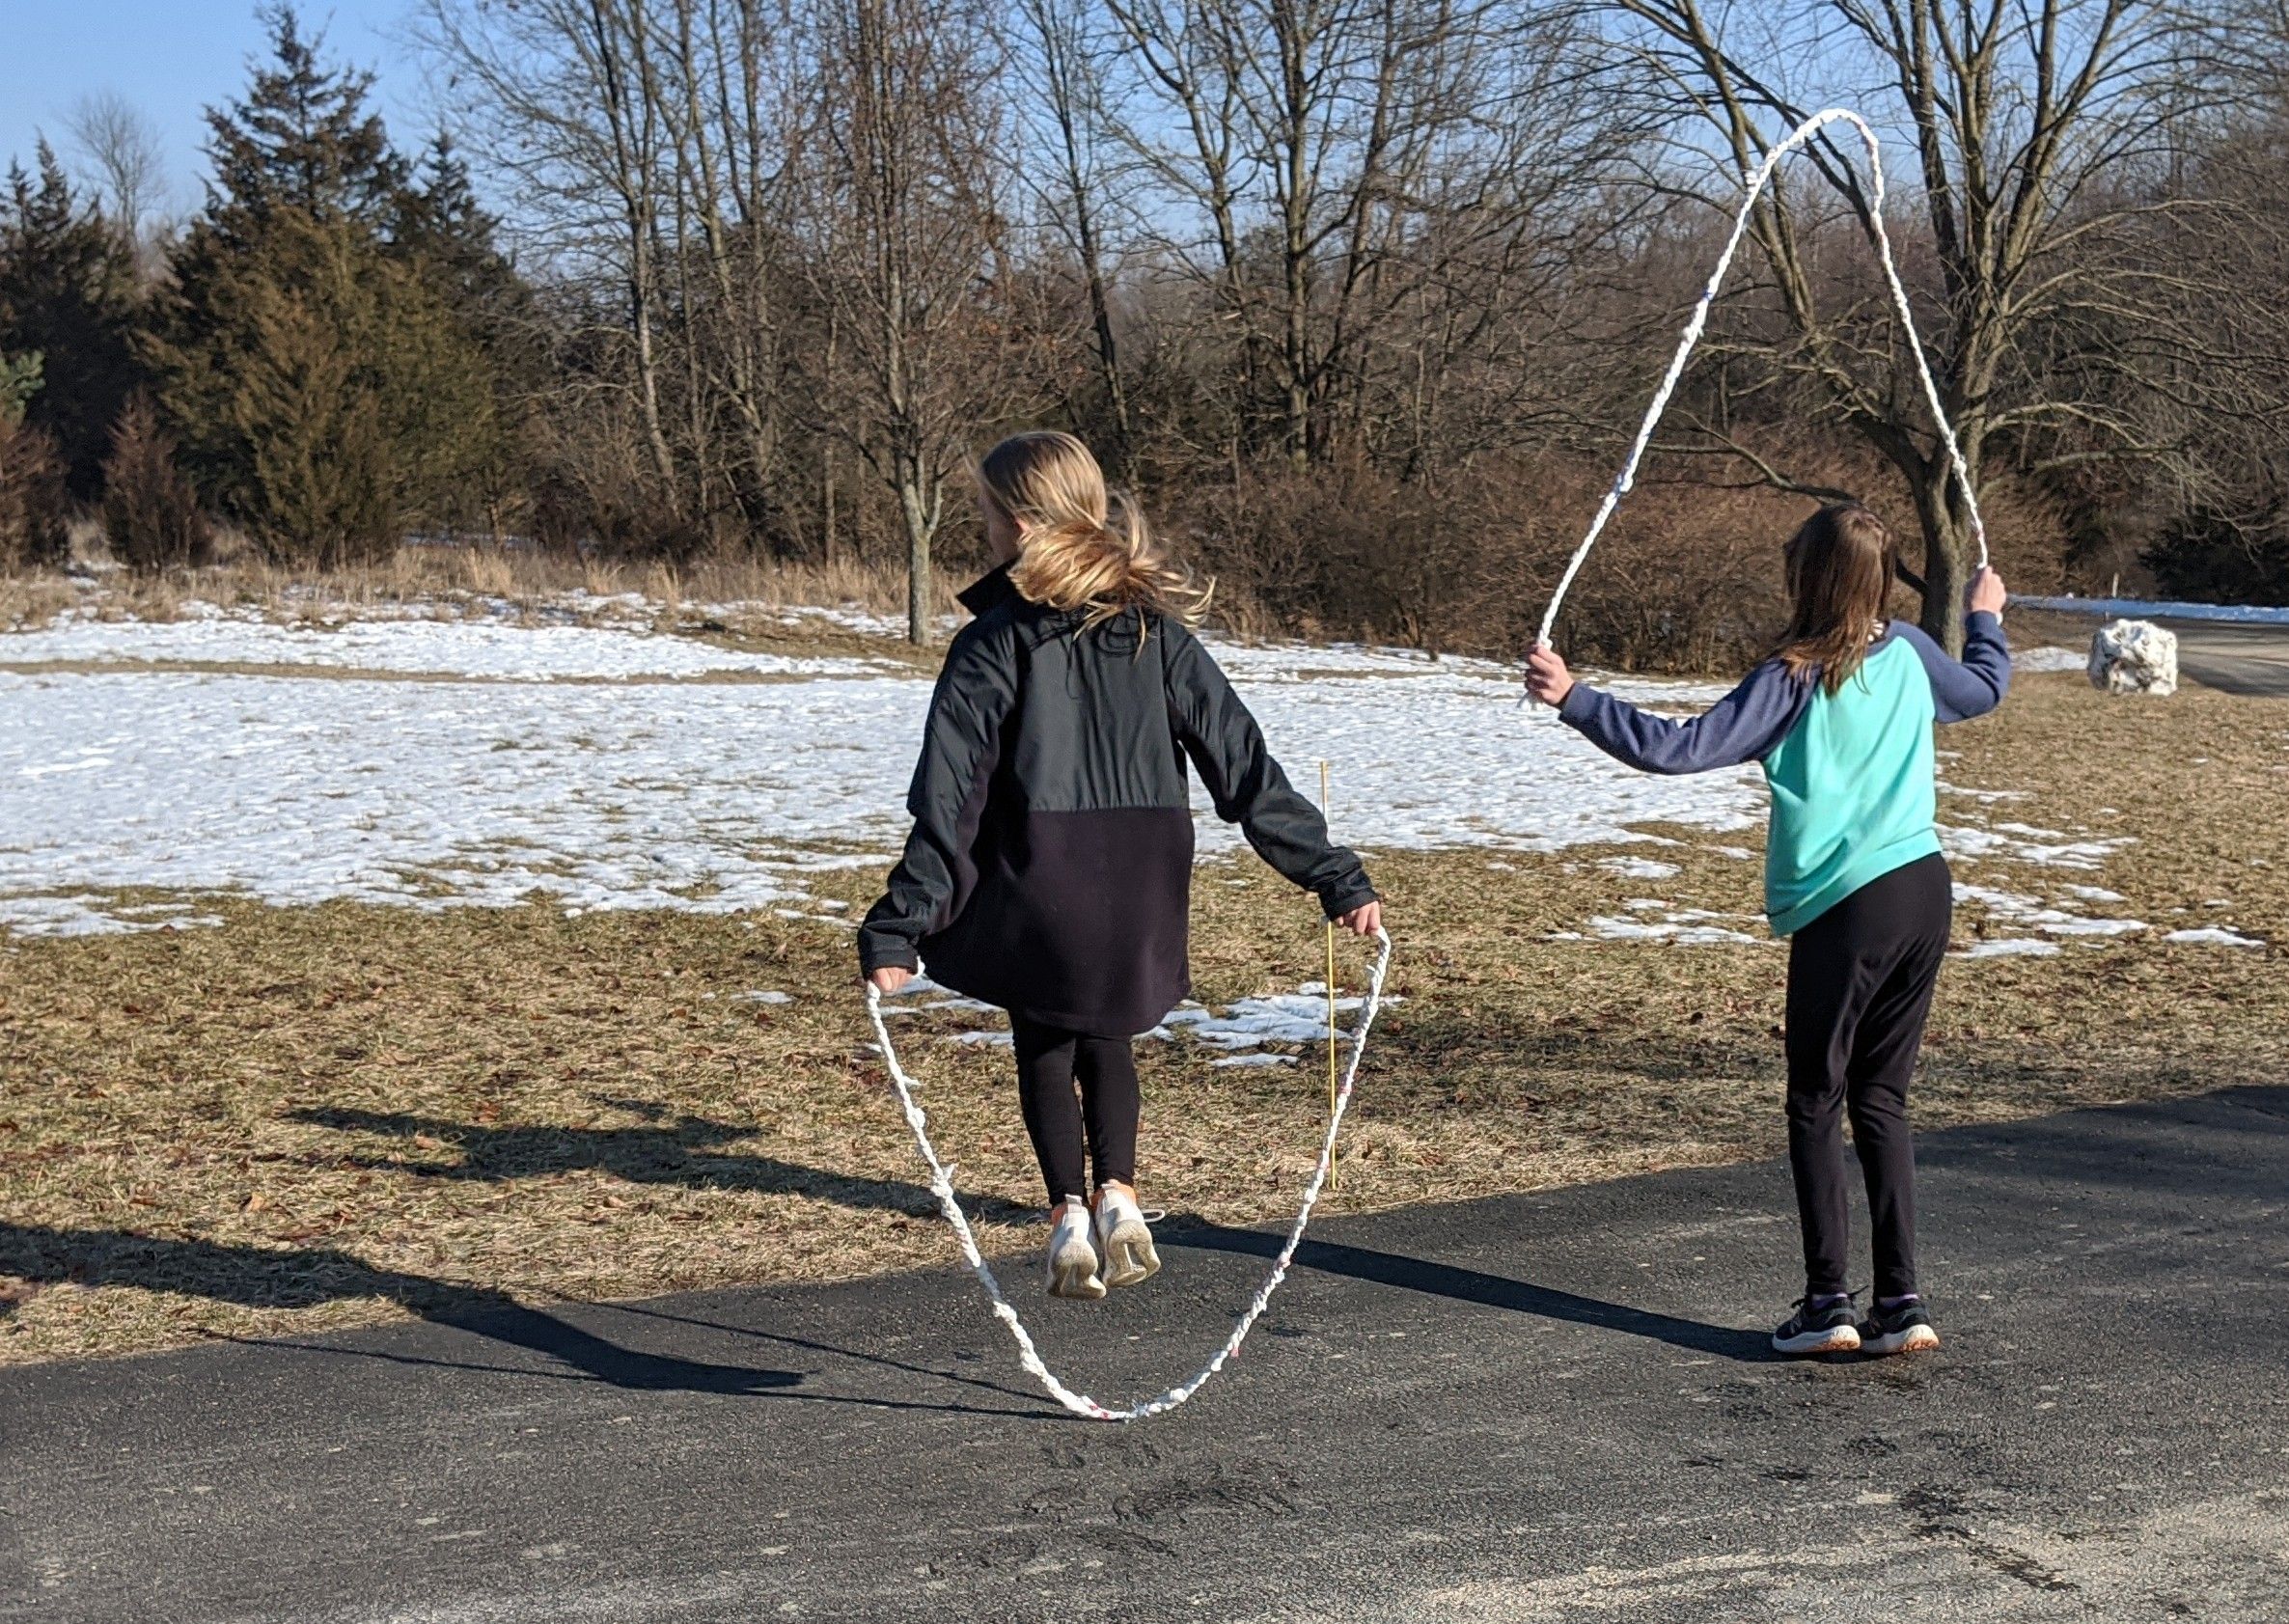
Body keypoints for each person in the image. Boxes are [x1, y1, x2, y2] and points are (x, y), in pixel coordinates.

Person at [859, 430, 1383, 1300]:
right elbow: (1246, 771)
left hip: (1041, 870)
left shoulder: (993, 641)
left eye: (987, 511)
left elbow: (947, 800)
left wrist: (899, 925)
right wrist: (1333, 875)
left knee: (1044, 1032)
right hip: (1143, 874)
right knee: (1105, 1030)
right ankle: (1121, 1195)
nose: (983, 526)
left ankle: (1068, 1209)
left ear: (1021, 523)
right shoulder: (1159, 636)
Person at [1526, 504, 2010, 1358]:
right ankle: (1900, 1303)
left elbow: (1678, 749)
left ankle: (1828, 1305)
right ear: (1881, 579)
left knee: (1817, 1098)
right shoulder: (1911, 652)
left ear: (1807, 577)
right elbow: (1985, 689)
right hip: (1923, 891)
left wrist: (1577, 699)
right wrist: (1985, 619)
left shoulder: (1793, 676)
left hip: (1847, 905)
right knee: (1882, 1097)